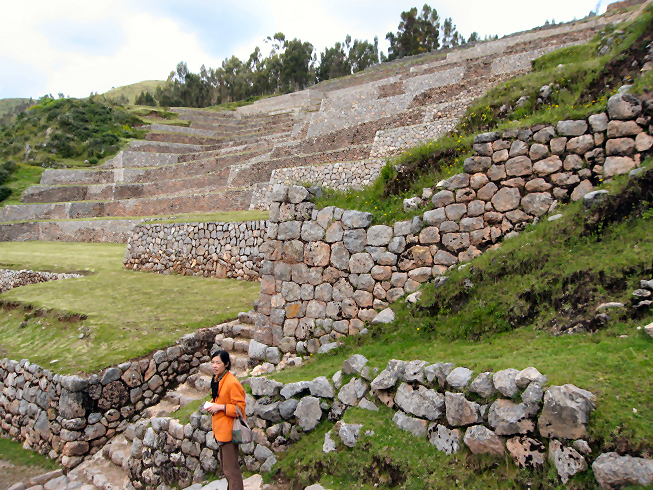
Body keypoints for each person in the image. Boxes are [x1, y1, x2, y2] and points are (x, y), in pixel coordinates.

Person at [206, 350, 246, 490]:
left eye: (218, 362)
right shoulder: (218, 378)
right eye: (213, 362)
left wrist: (220, 407)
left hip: (229, 432)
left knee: (231, 470)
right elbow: (220, 398)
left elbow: (239, 409)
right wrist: (213, 404)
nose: (214, 366)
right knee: (227, 469)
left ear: (226, 364)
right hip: (221, 431)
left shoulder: (231, 382)